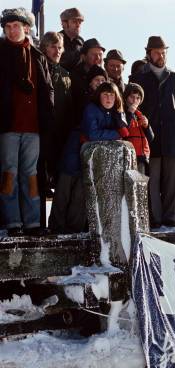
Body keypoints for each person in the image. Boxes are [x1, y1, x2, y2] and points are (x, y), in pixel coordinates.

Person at [0, 9, 53, 236]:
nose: (12, 30)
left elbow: (48, 89)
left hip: (33, 127)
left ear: (26, 28)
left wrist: (47, 119)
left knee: (30, 175)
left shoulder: (37, 56)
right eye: (7, 26)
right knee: (9, 173)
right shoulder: (0, 52)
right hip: (7, 126)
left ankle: (32, 223)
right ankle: (13, 223)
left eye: (16, 26)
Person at [131, 36, 175, 228]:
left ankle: (171, 219)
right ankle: (156, 219)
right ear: (149, 53)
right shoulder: (138, 79)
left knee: (171, 184)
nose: (161, 55)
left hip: (172, 138)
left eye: (164, 52)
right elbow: (131, 104)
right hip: (149, 138)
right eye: (157, 52)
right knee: (152, 182)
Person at [49, 82, 128, 233]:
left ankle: (74, 230)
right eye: (105, 94)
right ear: (98, 96)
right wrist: (117, 134)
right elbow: (93, 134)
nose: (108, 98)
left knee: (80, 196)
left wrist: (121, 122)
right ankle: (56, 228)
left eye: (112, 95)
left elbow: (124, 127)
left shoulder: (115, 113)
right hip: (73, 155)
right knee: (63, 194)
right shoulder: (91, 109)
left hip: (90, 161)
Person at [40, 31, 73, 192]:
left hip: (60, 132)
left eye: (60, 47)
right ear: (45, 48)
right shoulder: (38, 67)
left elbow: (68, 105)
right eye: (53, 46)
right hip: (41, 131)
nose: (57, 50)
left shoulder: (65, 75)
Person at [123, 83, 153, 175]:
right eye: (132, 97)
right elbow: (123, 131)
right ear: (126, 97)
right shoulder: (123, 113)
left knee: (141, 185)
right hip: (129, 156)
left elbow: (151, 137)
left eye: (138, 98)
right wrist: (129, 114)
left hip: (142, 157)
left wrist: (147, 126)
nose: (135, 100)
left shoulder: (140, 115)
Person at [71, 38, 105, 117]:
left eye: (100, 54)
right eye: (93, 54)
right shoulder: (74, 77)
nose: (98, 58)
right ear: (83, 56)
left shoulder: (105, 77)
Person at [58, 7, 84, 72]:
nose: (78, 25)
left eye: (80, 22)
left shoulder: (81, 42)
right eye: (74, 22)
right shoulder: (56, 39)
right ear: (64, 24)